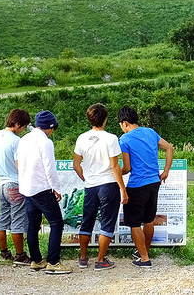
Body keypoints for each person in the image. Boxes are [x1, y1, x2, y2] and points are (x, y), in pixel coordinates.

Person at [73, 103, 128, 271]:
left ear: (90, 119)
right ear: (105, 120)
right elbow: (115, 166)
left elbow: (76, 165)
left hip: (90, 186)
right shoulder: (111, 138)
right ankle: (100, 260)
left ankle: (83, 258)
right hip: (108, 185)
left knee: (86, 222)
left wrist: (86, 178)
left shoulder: (82, 138)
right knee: (107, 223)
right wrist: (123, 189)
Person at [117, 106, 174, 268]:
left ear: (125, 123)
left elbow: (127, 168)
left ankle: (144, 259)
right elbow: (169, 148)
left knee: (135, 223)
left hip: (137, 186)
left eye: (121, 124)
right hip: (154, 183)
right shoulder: (150, 132)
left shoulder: (125, 140)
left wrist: (116, 172)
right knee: (148, 220)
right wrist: (166, 171)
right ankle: (145, 251)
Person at [17, 110, 71, 274]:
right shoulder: (45, 142)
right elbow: (50, 169)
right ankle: (53, 262)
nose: (52, 132)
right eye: (53, 128)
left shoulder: (24, 139)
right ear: (50, 126)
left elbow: (19, 162)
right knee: (56, 223)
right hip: (41, 188)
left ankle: (37, 260)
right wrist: (57, 189)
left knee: (33, 226)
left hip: (26, 189)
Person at [0, 108, 31, 265]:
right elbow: (19, 166)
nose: (22, 130)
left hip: (1, 184)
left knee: (2, 219)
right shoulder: (17, 141)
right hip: (14, 184)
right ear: (17, 124)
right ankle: (20, 255)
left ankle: (4, 253)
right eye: (22, 127)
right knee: (17, 221)